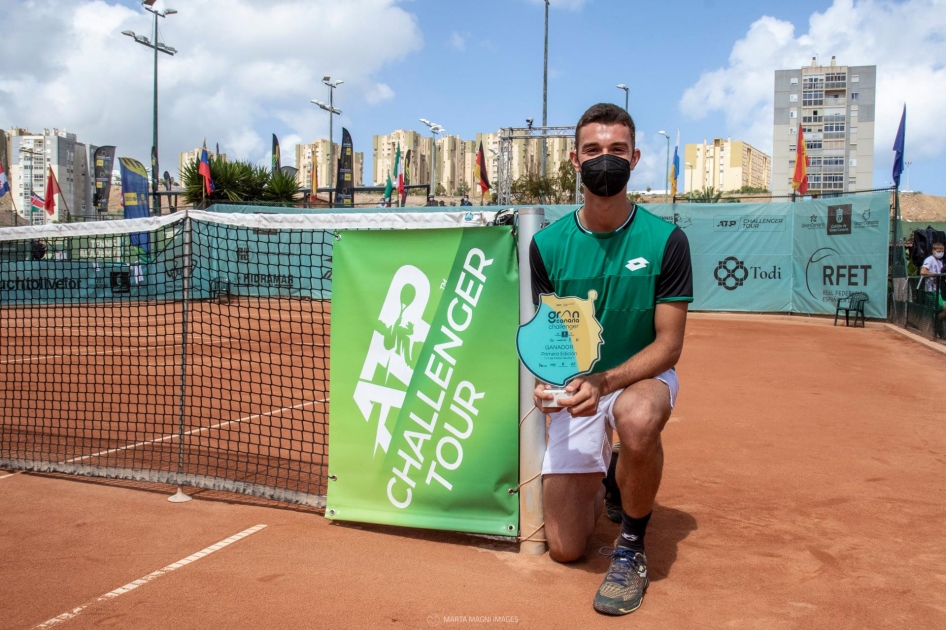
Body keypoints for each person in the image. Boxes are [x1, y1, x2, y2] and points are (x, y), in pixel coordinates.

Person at [530, 103, 693, 616]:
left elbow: (669, 345)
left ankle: (631, 547)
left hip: (640, 376)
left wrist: (605, 383)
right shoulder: (546, 244)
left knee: (637, 418)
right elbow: (549, 338)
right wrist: (550, 384)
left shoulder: (667, 240)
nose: (606, 160)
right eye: (594, 151)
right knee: (565, 547)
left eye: (617, 150)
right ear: (574, 160)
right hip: (583, 384)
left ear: (635, 157)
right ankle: (612, 470)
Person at [920, 242, 946, 323]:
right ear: (933, 251)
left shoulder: (940, 262)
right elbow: (923, 271)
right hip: (931, 291)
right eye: (938, 251)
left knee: (940, 311)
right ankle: (936, 325)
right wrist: (935, 274)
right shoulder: (929, 259)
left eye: (942, 251)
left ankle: (937, 327)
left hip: (938, 290)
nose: (941, 253)